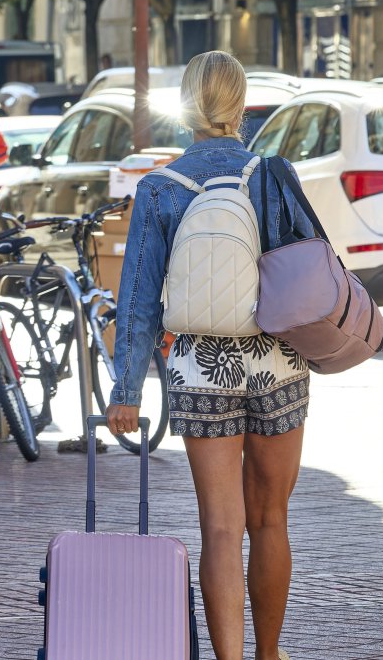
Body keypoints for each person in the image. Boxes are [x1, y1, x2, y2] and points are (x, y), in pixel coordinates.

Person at [106, 51, 314, 660]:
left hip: (202, 367)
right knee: (270, 518)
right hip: (276, 360)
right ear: (242, 106)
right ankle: (269, 655)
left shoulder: (161, 187)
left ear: (187, 107)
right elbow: (312, 269)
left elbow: (138, 298)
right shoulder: (274, 174)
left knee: (221, 529)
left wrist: (126, 390)